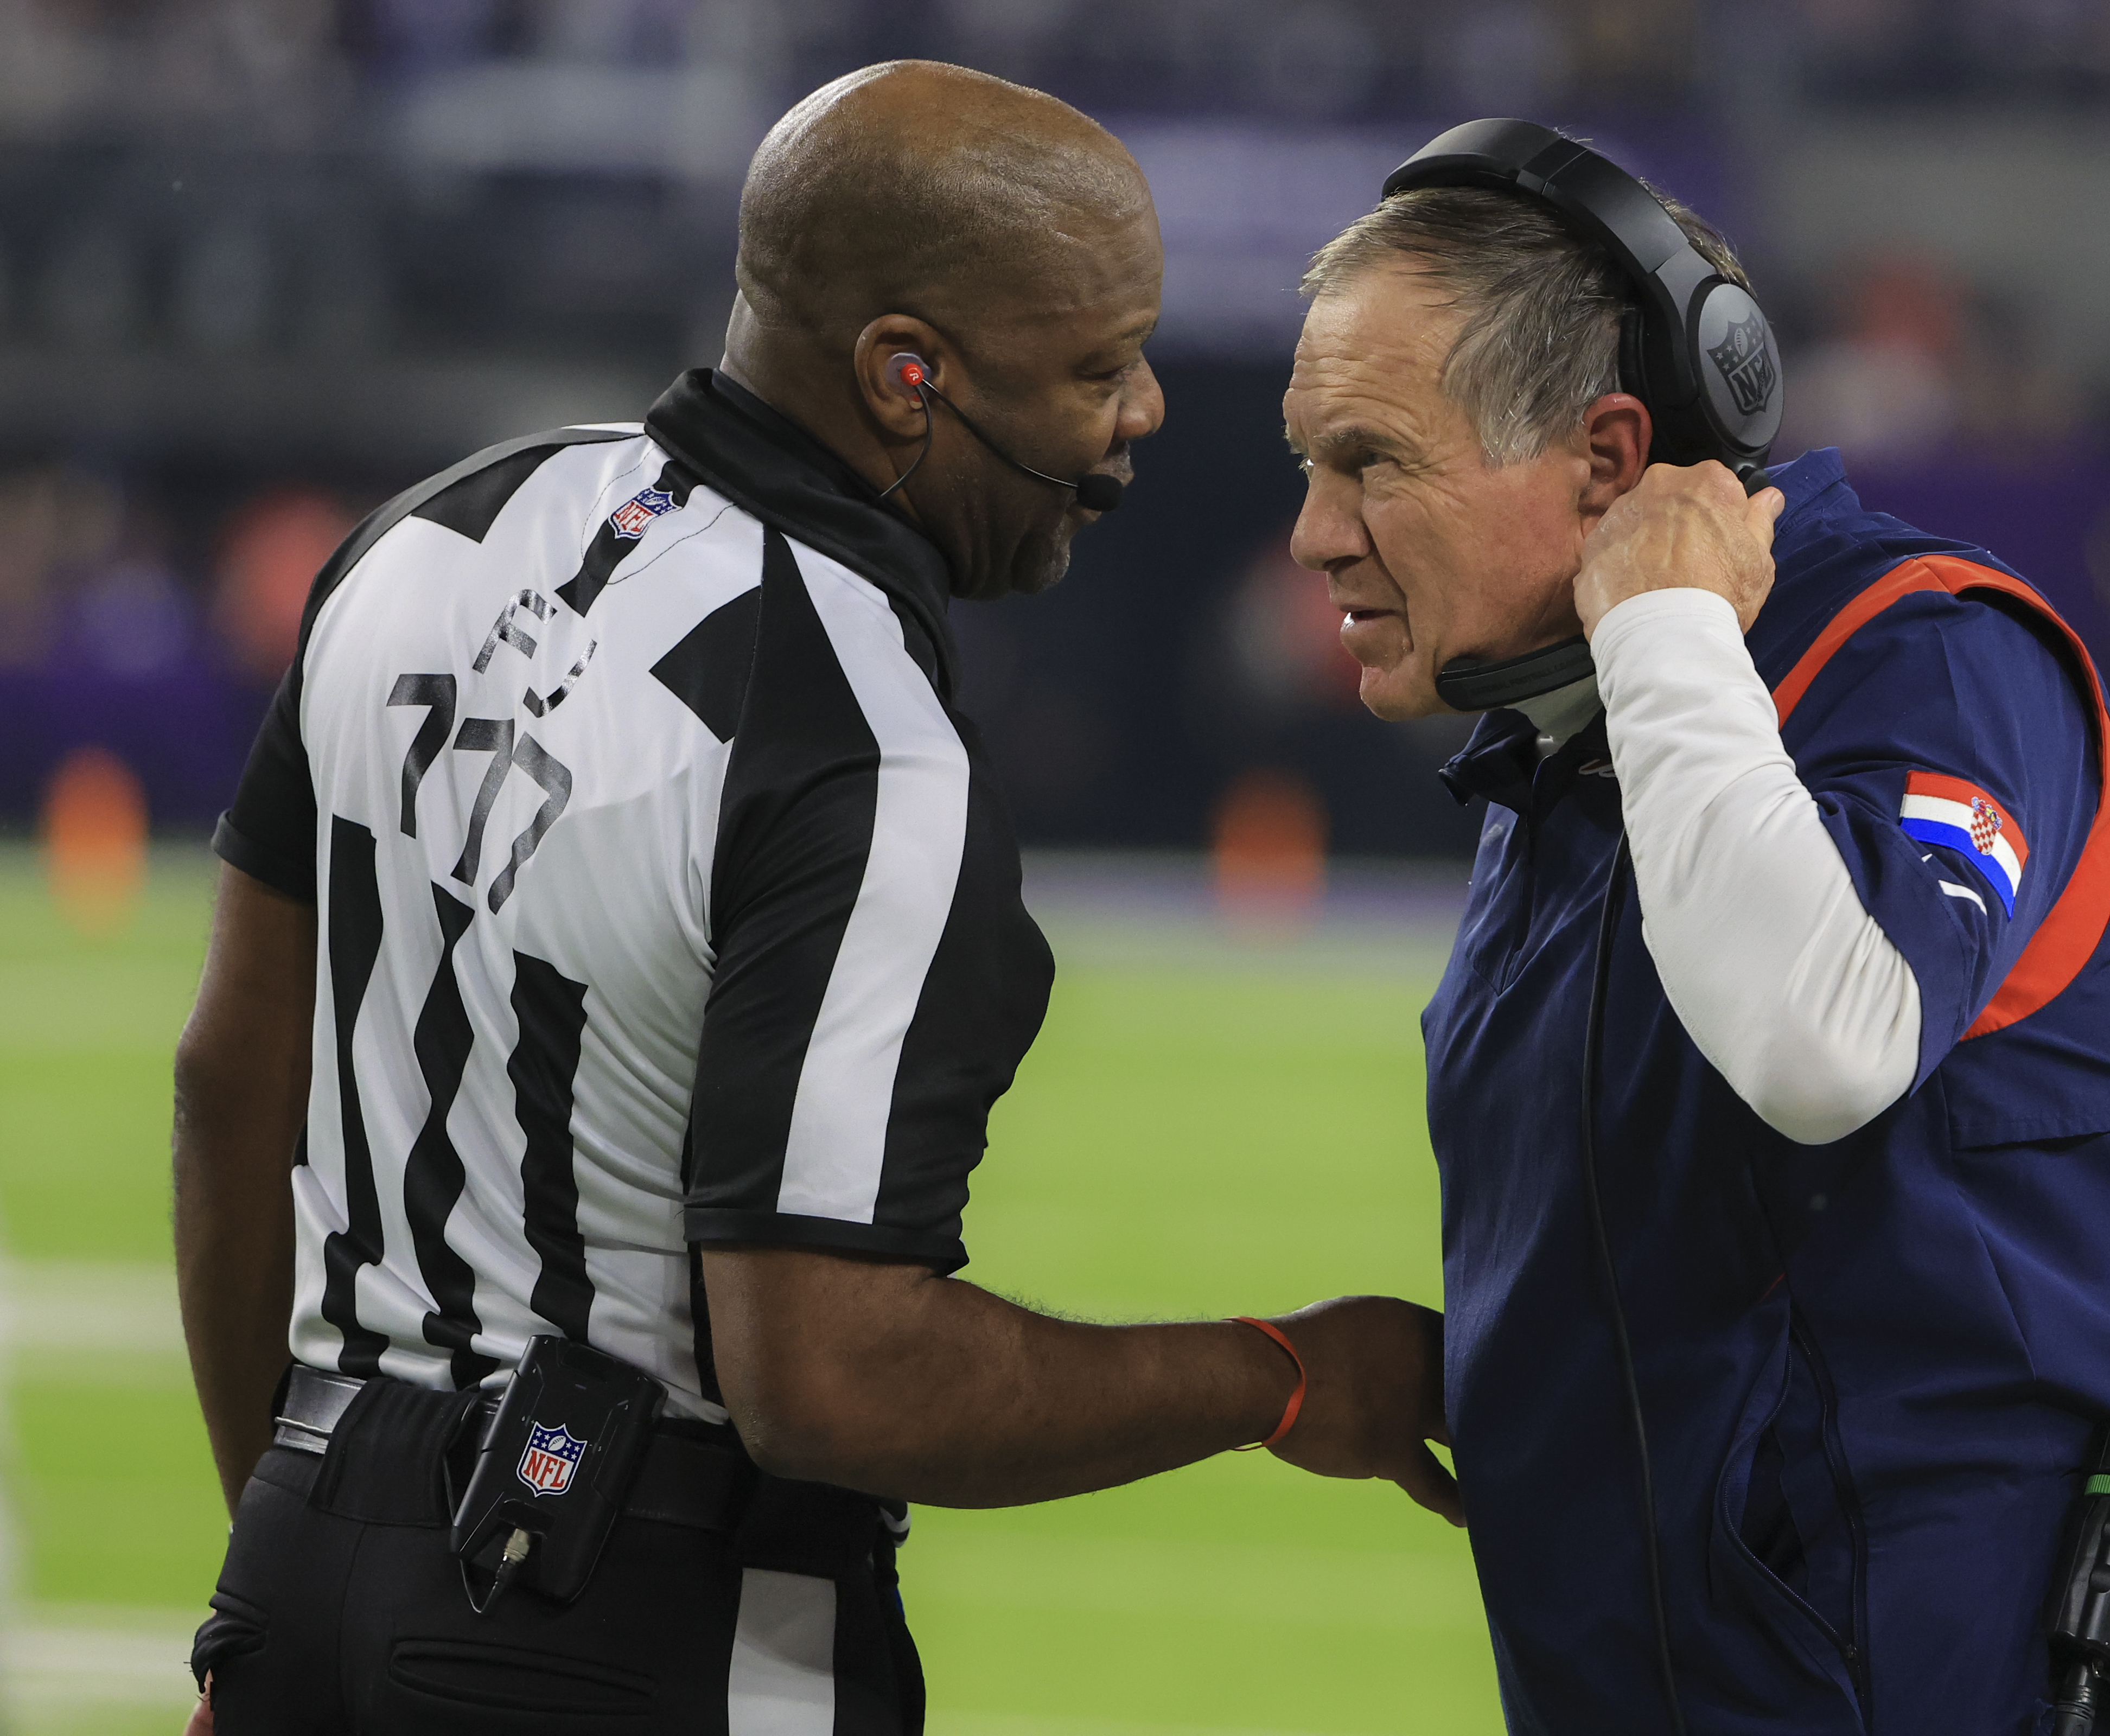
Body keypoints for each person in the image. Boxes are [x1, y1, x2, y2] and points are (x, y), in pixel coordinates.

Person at [174, 61, 1457, 1736]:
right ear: (903, 373)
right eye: (1091, 367)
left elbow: (223, 1087)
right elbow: (832, 1380)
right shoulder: (857, 733)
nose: (1141, 410)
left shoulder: (429, 533)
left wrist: (287, 1578)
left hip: (306, 1557)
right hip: (635, 1623)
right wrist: (1290, 1378)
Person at [1282, 139, 2110, 1734]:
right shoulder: (1575, 752)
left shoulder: (1920, 654)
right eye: (1309, 463)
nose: (1314, 534)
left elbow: (1822, 1043)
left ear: (1609, 453)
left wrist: (1658, 617)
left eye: (1371, 461)